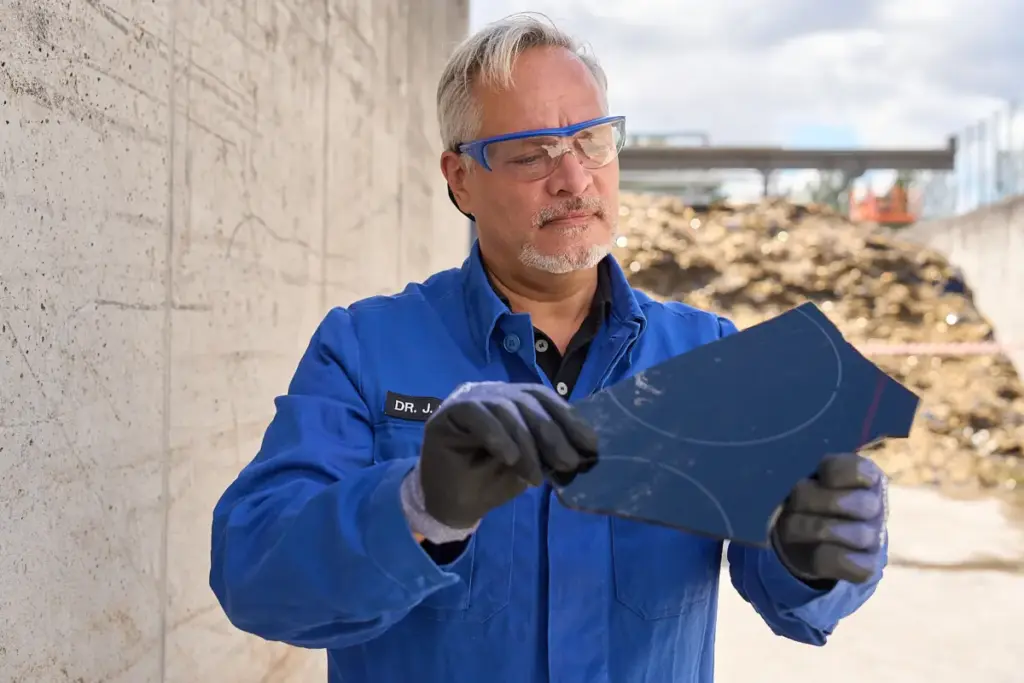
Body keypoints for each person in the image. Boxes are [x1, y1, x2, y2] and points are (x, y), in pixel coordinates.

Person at [209, 12, 889, 683]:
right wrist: (417, 507)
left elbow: (792, 597)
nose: (573, 179)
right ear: (461, 179)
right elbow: (254, 572)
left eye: (591, 140)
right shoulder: (364, 349)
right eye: (532, 152)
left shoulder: (706, 357)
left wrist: (813, 556)